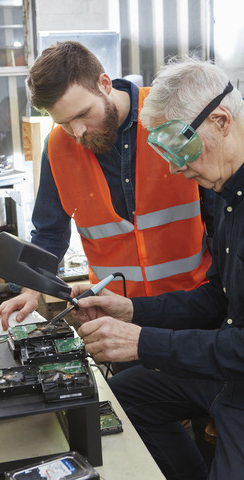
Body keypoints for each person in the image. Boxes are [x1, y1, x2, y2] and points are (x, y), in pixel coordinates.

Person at [70, 57, 244, 480]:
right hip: (232, 368)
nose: (172, 167)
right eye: (162, 151)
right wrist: (129, 311)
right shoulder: (222, 195)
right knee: (128, 394)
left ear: (220, 120)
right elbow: (214, 299)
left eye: (178, 146)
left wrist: (144, 343)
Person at [0, 42, 213, 334]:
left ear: (104, 84)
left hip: (194, 309)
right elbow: (50, 233)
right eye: (64, 122)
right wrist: (31, 290)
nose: (77, 132)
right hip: (116, 317)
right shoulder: (57, 148)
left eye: (82, 114)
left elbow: (219, 211)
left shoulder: (168, 117)